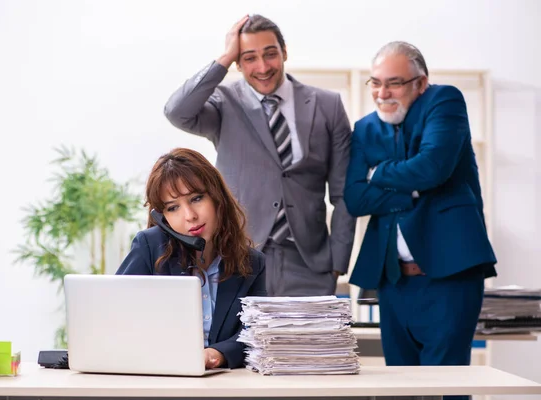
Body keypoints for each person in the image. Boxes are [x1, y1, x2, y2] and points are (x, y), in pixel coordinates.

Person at [164, 14, 355, 296]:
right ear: (238, 64)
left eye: (270, 54)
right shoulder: (223, 103)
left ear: (284, 52)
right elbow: (177, 112)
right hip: (239, 258)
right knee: (241, 342)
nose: (263, 67)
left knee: (303, 342)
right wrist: (225, 58)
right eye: (249, 58)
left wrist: (337, 262)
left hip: (309, 265)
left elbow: (344, 193)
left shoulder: (328, 105)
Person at [345, 41, 497, 389]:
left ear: (421, 83)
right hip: (394, 282)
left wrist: (377, 173)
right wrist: (409, 191)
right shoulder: (366, 127)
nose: (382, 93)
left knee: (444, 389)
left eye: (394, 82)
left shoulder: (444, 101)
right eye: (376, 82)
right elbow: (354, 197)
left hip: (448, 277)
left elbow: (432, 168)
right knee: (401, 389)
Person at [116, 148, 266, 370]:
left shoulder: (252, 262)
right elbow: (117, 316)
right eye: (173, 207)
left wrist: (218, 353)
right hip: (161, 376)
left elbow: (256, 330)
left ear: (217, 197)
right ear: (162, 217)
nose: (189, 216)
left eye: (196, 198)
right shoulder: (149, 247)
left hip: (226, 381)